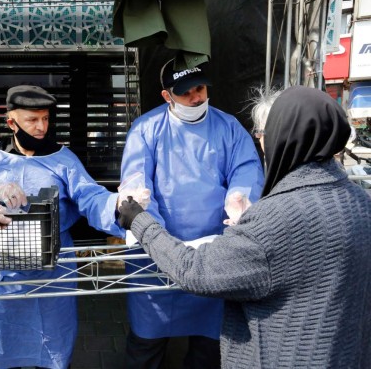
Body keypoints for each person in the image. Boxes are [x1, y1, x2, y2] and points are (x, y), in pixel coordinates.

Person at [117, 85, 371, 368]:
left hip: (281, 346)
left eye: (264, 134)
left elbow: (194, 271)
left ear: (284, 138)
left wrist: (140, 221)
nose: (261, 142)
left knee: (203, 349)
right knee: (150, 344)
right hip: (346, 352)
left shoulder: (272, 220)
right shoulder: (361, 202)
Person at [0, 85, 141, 369]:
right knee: (5, 347)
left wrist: (119, 206)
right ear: (11, 122)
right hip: (4, 273)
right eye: (32, 120)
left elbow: (90, 197)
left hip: (53, 269)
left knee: (53, 349)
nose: (42, 127)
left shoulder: (63, 159)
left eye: (45, 118)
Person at [119, 59, 265, 368]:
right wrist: (156, 235)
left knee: (209, 348)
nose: (196, 98)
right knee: (147, 344)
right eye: (186, 93)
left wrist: (240, 198)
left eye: (200, 89)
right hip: (155, 259)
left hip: (213, 255)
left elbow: (247, 169)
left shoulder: (228, 128)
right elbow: (137, 186)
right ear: (166, 96)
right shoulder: (145, 130)